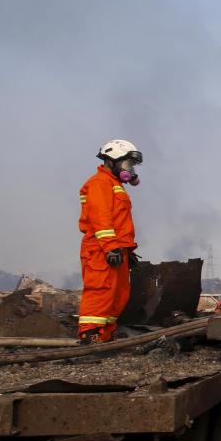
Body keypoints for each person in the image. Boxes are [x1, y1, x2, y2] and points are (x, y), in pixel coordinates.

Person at [77, 139, 142, 343]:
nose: (129, 170)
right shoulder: (99, 183)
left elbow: (119, 222)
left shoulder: (114, 185)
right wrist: (111, 247)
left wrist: (126, 251)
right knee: (100, 290)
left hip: (116, 249)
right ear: (111, 161)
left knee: (119, 294)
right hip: (101, 249)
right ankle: (89, 336)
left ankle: (104, 336)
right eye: (127, 164)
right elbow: (101, 218)